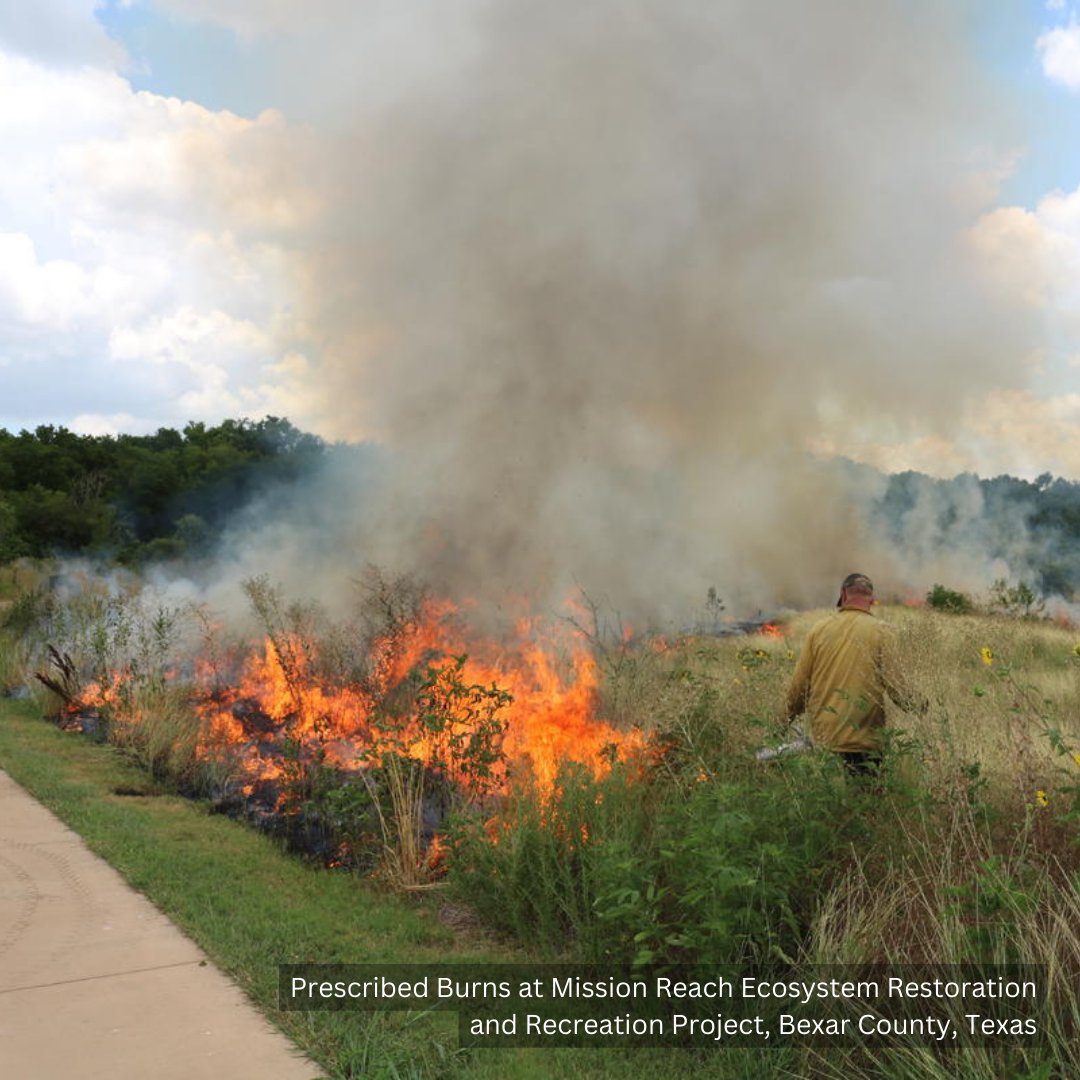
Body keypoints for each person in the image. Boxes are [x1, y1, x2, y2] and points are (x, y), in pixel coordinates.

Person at [785, 573, 926, 775]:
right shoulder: (883, 632)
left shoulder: (818, 630)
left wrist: (779, 725)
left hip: (825, 741)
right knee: (866, 802)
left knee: (829, 804)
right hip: (865, 743)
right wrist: (921, 706)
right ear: (871, 599)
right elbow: (897, 689)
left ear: (843, 595)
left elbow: (798, 689)